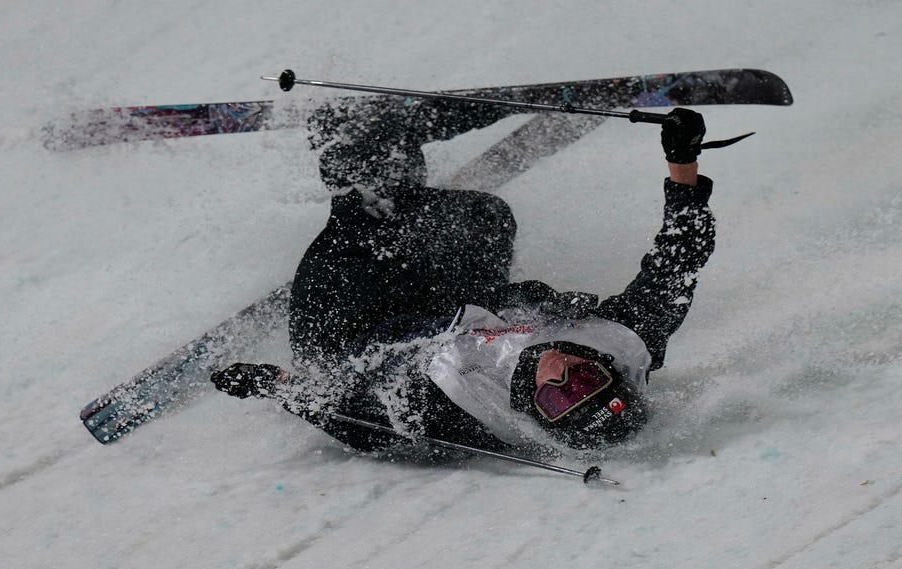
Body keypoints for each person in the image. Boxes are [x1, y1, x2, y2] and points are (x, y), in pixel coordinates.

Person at [212, 96, 714, 453]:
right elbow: (678, 260)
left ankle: (345, 149)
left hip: (346, 326)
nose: (561, 370)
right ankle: (394, 145)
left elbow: (358, 424)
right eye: (585, 375)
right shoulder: (624, 341)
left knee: (376, 226)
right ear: (609, 371)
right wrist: (682, 160)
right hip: (445, 305)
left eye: (558, 393)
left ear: (541, 414)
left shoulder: (468, 409)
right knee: (484, 217)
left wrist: (274, 382)